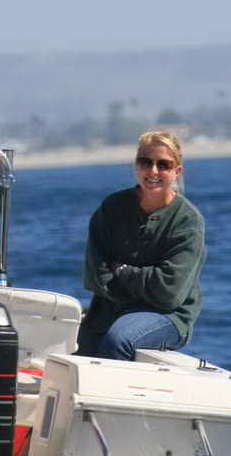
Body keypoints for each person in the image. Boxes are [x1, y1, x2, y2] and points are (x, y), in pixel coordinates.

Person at [76, 131, 205, 361]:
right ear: (136, 166)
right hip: (109, 309)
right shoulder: (112, 208)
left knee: (119, 339)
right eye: (146, 162)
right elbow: (94, 276)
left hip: (167, 316)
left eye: (163, 165)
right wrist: (143, 284)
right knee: (65, 340)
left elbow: (169, 293)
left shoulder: (187, 221)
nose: (153, 171)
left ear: (176, 171)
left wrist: (122, 270)